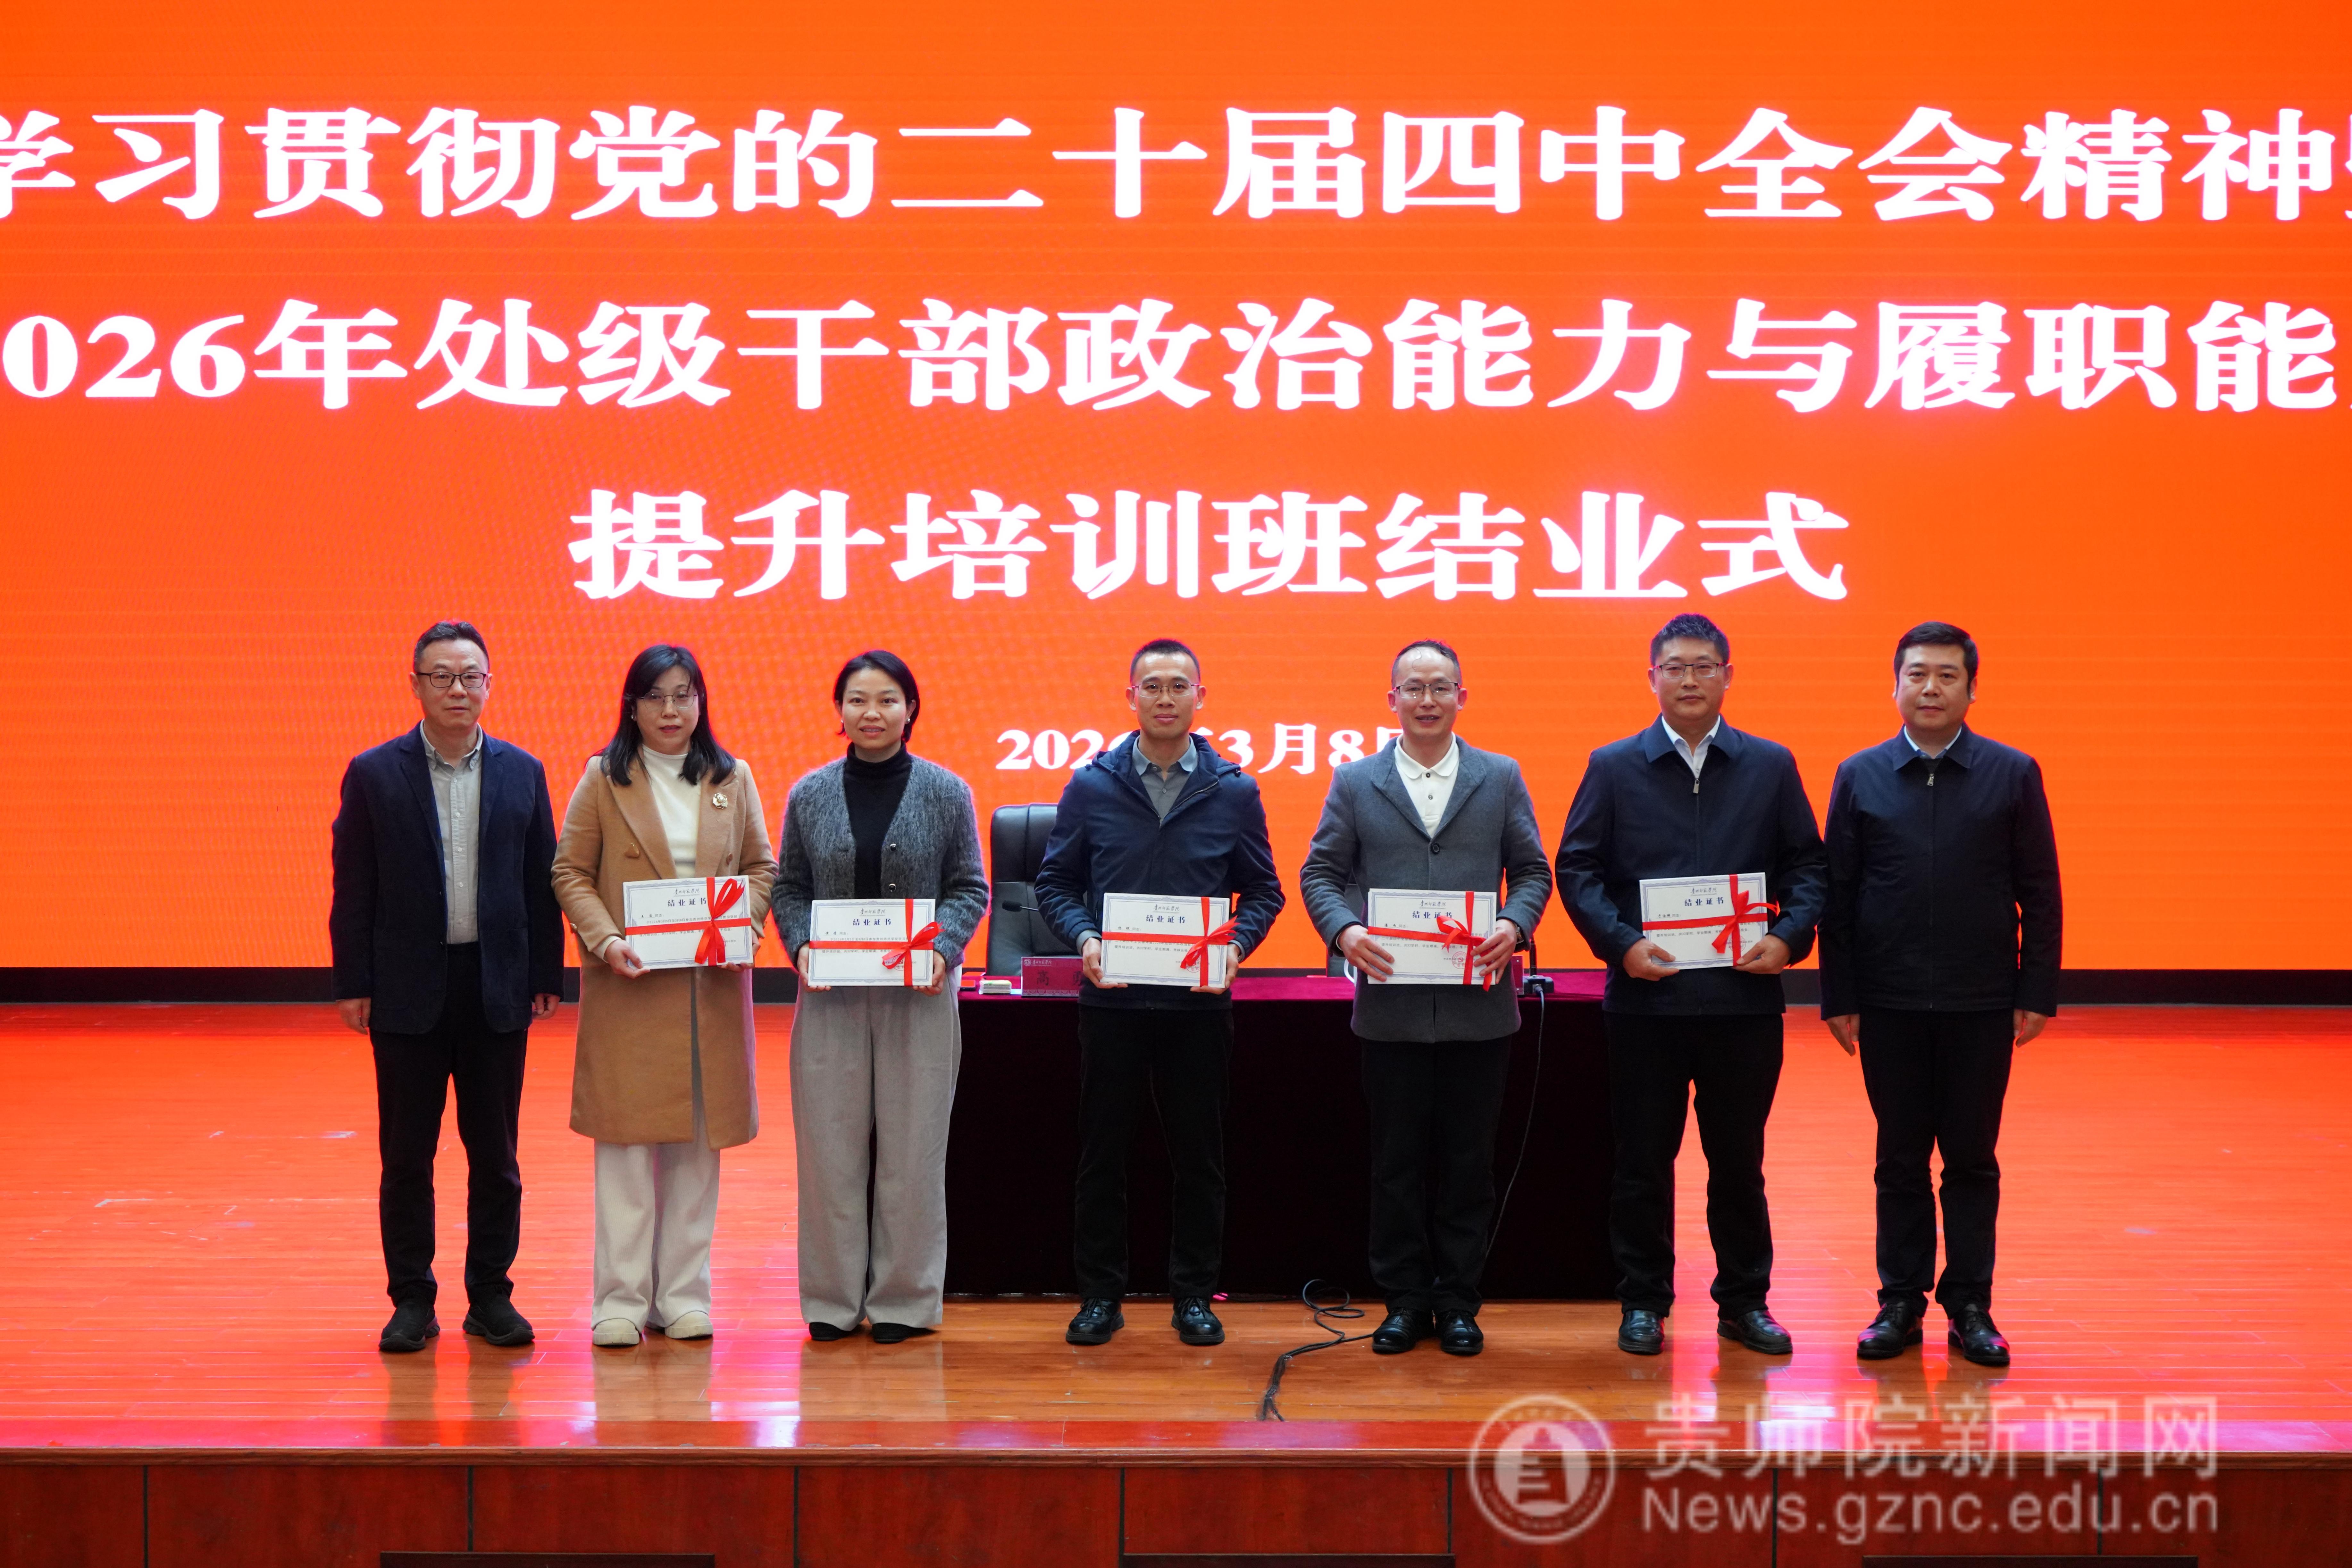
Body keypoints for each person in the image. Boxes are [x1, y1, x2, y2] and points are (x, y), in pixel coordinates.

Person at [1555, 613, 1827, 1358]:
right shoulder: (1614, 766)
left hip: (1743, 1003)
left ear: (1728, 676)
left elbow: (1809, 867)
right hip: (1646, 1003)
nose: (1690, 679)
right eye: (1675, 667)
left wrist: (1788, 936)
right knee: (1643, 1163)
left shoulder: (1770, 765)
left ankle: (1745, 1302)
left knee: (1739, 1163)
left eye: (1704, 666)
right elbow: (1577, 867)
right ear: (1653, 678)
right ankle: (1643, 1301)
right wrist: (1622, 945)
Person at [1299, 640, 1551, 1358]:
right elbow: (1320, 874)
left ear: (1461, 697)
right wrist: (1345, 931)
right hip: (1392, 1013)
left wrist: (1514, 925)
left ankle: (1459, 1302)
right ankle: (1405, 1302)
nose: (1428, 699)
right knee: (1396, 1167)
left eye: (1441, 687)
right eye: (1414, 688)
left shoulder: (1499, 776)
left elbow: (1533, 871)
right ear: (1393, 700)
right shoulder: (1356, 781)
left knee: (1470, 1166)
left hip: (1479, 1012)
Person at [1034, 637, 1286, 1347]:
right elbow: (1056, 882)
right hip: (1111, 1001)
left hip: (1197, 1007)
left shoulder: (1233, 789)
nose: (1166, 698)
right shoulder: (1092, 785)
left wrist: (1235, 947)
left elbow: (1264, 891)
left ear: (1200, 697)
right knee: (1102, 1157)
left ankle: (1194, 1296)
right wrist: (1085, 939)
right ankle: (1100, 1296)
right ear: (1131, 697)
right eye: (1152, 686)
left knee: (1199, 1159)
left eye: (1179, 685)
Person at [1821, 622, 2061, 1369]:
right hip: (1887, 1000)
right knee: (1899, 1157)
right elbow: (1838, 893)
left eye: (1947, 676)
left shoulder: (2012, 773)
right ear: (1894, 685)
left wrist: (2036, 990)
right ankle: (1899, 1302)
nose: (1930, 688)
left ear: (1971, 688)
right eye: (1917, 674)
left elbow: (2040, 890)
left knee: (1971, 1158)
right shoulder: (1859, 775)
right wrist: (1839, 994)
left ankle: (1970, 1304)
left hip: (1980, 1000)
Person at [331, 620, 563, 1354]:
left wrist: (546, 973)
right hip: (407, 990)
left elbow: (541, 880)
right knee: (407, 1157)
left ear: (489, 684)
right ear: (417, 685)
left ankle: (491, 1296)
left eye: (470, 676)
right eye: (442, 676)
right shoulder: (374, 773)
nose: (457, 689)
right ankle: (412, 1299)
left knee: (496, 1158)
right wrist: (354, 979)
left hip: (496, 986)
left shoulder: (523, 771)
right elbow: (354, 884)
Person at [552, 645, 775, 1348]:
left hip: (708, 990)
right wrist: (606, 939)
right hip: (632, 984)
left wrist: (742, 928)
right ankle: (618, 1300)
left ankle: (680, 1296)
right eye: (656, 696)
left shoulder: (732, 777)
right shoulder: (603, 777)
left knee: (696, 1155)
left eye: (684, 695)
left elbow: (761, 868)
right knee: (624, 1152)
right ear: (632, 706)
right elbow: (569, 872)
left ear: (701, 702)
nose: (671, 710)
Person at [774, 650, 990, 1344]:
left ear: (910, 709)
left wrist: (942, 948)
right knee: (829, 1153)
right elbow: (789, 888)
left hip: (919, 994)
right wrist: (801, 945)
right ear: (839, 711)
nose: (872, 713)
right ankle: (831, 1300)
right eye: (858, 700)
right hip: (831, 994)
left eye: (888, 699)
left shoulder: (947, 791)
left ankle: (904, 1299)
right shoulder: (809, 793)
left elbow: (969, 887)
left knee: (914, 1153)